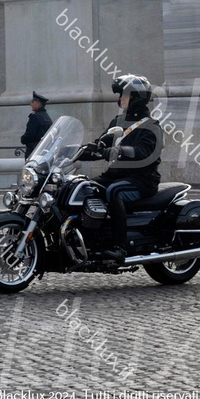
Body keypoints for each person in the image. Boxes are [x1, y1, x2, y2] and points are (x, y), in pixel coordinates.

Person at [81, 75, 163, 261]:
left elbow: (144, 152)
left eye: (124, 95)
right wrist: (82, 151)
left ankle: (120, 246)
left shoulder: (151, 127)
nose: (120, 99)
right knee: (83, 188)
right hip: (116, 175)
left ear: (136, 97)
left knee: (114, 191)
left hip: (141, 180)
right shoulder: (117, 122)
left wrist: (118, 151)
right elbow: (101, 143)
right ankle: (91, 238)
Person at [21, 91, 53, 159]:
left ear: (38, 103)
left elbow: (29, 135)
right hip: (44, 152)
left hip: (34, 151)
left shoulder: (35, 117)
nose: (30, 104)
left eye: (32, 102)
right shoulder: (46, 117)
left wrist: (23, 139)